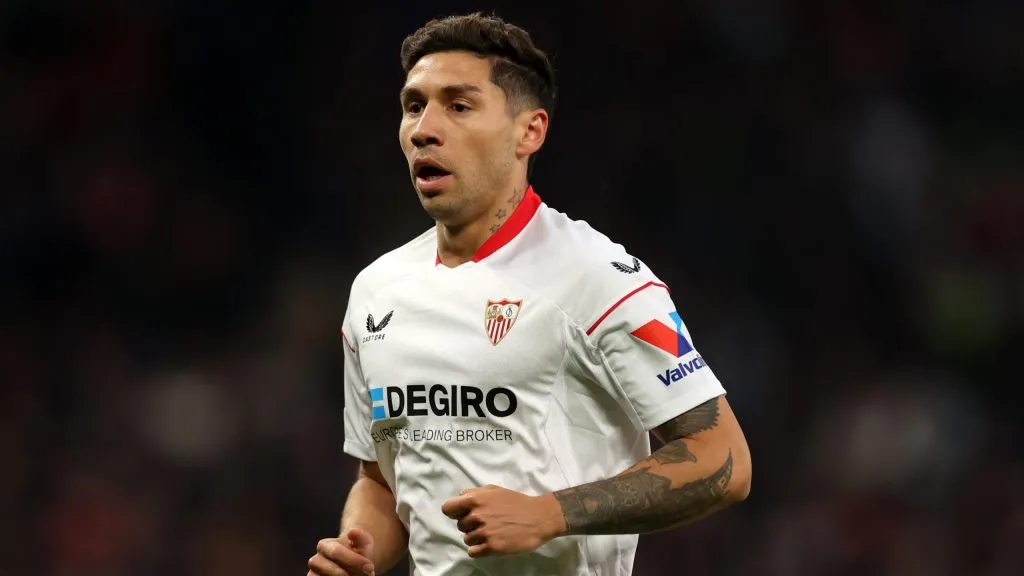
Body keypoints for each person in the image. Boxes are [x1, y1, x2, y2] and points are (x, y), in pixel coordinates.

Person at [308, 12, 752, 576]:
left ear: (529, 132)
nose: (424, 129)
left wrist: (551, 514)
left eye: (458, 105)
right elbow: (381, 478)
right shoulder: (376, 292)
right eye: (414, 105)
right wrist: (359, 548)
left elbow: (724, 457)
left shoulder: (599, 278)